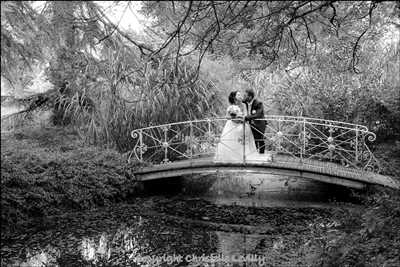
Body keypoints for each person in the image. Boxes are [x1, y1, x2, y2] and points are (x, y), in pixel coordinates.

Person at [214, 91, 258, 162]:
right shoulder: (230, 107)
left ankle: (244, 157)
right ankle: (231, 157)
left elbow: (246, 115)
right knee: (230, 140)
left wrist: (240, 118)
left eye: (240, 94)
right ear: (234, 97)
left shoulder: (244, 105)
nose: (240, 96)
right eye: (238, 94)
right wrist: (233, 116)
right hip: (231, 125)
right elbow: (227, 117)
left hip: (242, 124)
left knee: (242, 140)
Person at [243, 88, 266, 154]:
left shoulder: (258, 103)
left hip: (259, 124)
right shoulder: (245, 102)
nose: (244, 97)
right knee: (252, 140)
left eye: (245, 96)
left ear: (250, 97)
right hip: (250, 125)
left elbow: (258, 114)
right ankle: (253, 154)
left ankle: (262, 155)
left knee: (260, 140)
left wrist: (247, 117)